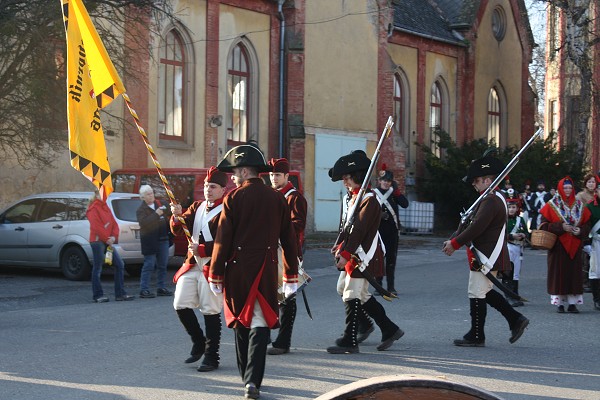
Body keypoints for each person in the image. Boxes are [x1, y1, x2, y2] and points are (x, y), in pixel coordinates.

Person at [208, 144, 298, 400]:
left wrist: (215, 273)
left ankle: (245, 378)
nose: (233, 177)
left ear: (245, 170)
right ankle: (252, 380)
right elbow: (289, 240)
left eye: (235, 172)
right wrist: (290, 274)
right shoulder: (277, 198)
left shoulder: (234, 198)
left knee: (241, 322)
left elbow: (222, 240)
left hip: (238, 270)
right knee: (259, 322)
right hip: (266, 268)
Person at [442, 155, 529, 347]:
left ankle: (477, 335)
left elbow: (477, 228)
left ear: (488, 180)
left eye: (477, 180)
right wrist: (454, 237)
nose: (474, 184)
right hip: (485, 253)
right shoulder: (488, 198)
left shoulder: (491, 200)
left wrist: (455, 243)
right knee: (484, 291)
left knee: (476, 292)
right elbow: (468, 223)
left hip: (487, 254)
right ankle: (515, 319)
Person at [327, 150, 404, 355]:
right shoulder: (353, 198)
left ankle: (350, 340)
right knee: (349, 290)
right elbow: (348, 226)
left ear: (358, 176)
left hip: (364, 254)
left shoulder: (369, 199)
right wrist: (340, 244)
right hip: (353, 251)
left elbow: (360, 229)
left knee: (352, 293)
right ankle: (389, 328)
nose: (344, 181)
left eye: (347, 177)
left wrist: (345, 253)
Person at [169, 167, 228, 372]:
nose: (208, 190)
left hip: (213, 264)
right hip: (193, 263)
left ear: (222, 189)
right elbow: (179, 229)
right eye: (205, 186)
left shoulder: (227, 210)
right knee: (180, 303)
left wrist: (203, 248)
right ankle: (198, 341)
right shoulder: (196, 207)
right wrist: (177, 216)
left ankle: (212, 356)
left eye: (213, 186)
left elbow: (227, 242)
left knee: (210, 309)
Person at [266, 158, 308, 356]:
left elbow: (298, 224)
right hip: (268, 252)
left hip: (286, 252)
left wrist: (274, 227)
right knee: (267, 295)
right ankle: (264, 335)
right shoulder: (269, 196)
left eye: (277, 175)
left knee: (287, 299)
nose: (274, 178)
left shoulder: (294, 197)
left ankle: (283, 341)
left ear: (286, 176)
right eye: (272, 175)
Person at [539, 176, 592, 313]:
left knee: (574, 275)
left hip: (575, 245)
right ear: (560, 188)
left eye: (570, 187)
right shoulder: (551, 205)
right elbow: (543, 225)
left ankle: (573, 304)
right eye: (565, 187)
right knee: (559, 274)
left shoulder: (580, 205)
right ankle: (560, 304)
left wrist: (581, 230)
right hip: (558, 246)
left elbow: (587, 224)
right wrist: (561, 227)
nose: (567, 190)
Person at [86, 190, 134, 303]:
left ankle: (120, 294)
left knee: (119, 264)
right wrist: (107, 238)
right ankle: (98, 295)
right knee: (98, 268)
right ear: (96, 195)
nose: (105, 196)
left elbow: (114, 224)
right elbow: (96, 226)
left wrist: (113, 237)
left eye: (106, 194)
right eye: (102, 193)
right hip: (97, 242)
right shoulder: (93, 208)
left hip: (107, 241)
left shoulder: (106, 207)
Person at [373, 164, 409, 295]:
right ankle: (378, 285)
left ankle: (391, 286)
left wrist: (397, 192)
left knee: (391, 259)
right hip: (378, 231)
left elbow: (405, 204)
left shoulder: (394, 194)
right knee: (378, 259)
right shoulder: (373, 194)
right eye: (384, 180)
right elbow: (368, 212)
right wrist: (379, 214)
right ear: (379, 180)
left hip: (392, 231)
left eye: (388, 181)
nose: (386, 183)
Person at [137, 185, 173, 298]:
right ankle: (144, 289)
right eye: (148, 194)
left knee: (163, 265)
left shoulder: (161, 204)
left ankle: (161, 287)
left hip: (163, 239)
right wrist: (156, 214)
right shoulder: (141, 210)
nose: (151, 195)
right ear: (143, 197)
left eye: (152, 193)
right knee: (149, 265)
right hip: (150, 242)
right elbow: (143, 223)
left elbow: (171, 211)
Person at [504, 191, 530, 307]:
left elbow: (525, 231)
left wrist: (524, 236)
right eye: (509, 207)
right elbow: (499, 235)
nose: (512, 209)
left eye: (514, 207)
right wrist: (511, 236)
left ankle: (515, 295)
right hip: (508, 247)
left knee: (516, 273)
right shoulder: (503, 220)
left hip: (518, 247)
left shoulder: (520, 220)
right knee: (507, 272)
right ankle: (508, 296)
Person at [577, 174, 597, 292]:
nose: (591, 184)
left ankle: (593, 281)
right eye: (589, 182)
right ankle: (584, 281)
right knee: (585, 257)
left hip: (596, 228)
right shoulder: (580, 196)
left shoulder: (597, 195)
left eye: (593, 182)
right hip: (584, 226)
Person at [585, 175, 600, 311]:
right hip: (597, 242)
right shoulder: (590, 207)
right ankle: (597, 299)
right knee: (595, 270)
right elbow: (586, 225)